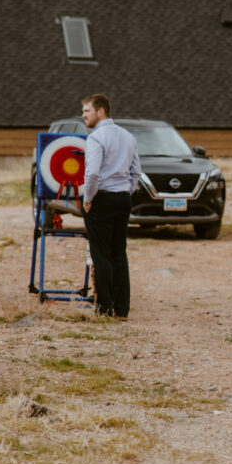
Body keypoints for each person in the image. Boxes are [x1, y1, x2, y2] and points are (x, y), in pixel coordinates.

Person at [81, 94, 140, 319]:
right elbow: (136, 171)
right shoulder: (128, 136)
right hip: (123, 197)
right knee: (119, 252)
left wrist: (88, 199)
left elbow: (93, 172)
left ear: (101, 111)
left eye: (87, 110)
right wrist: (127, 191)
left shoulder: (96, 138)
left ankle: (104, 308)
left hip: (102, 198)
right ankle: (122, 309)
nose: (84, 115)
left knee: (101, 253)